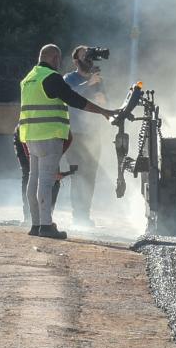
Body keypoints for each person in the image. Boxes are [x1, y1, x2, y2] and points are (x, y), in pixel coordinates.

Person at [16, 43, 118, 240]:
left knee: (34, 179)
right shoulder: (52, 77)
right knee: (45, 181)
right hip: (49, 135)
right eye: (57, 59)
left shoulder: (29, 78)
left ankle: (36, 224)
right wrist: (104, 111)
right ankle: (46, 226)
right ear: (54, 59)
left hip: (31, 135)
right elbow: (74, 99)